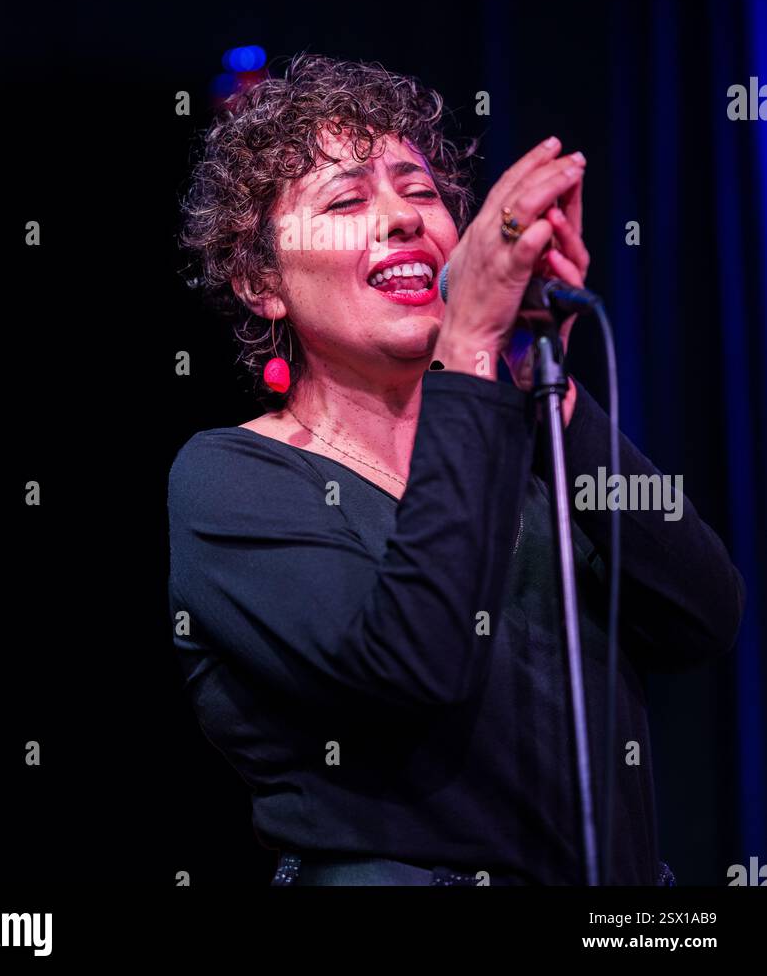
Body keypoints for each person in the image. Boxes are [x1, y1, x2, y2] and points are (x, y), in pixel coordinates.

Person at [168, 52, 745, 886]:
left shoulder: (528, 445)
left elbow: (707, 613)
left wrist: (542, 395)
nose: (404, 218)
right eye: (347, 198)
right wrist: (467, 350)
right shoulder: (231, 478)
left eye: (421, 191)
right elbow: (411, 666)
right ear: (263, 280)